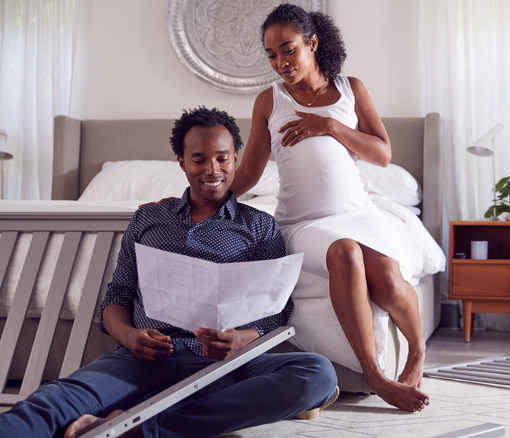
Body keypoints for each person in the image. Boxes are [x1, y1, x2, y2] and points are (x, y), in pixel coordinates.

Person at [0, 107, 338, 438]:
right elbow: (117, 297)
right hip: (143, 358)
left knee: (317, 374)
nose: (212, 169)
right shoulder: (148, 219)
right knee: (51, 403)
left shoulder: (259, 225)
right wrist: (131, 337)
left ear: (235, 157)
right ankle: (141, 411)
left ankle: (143, 428)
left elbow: (275, 312)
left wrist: (240, 338)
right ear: (182, 161)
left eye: (222, 157)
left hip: (225, 362)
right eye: (199, 159)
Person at [228, 3, 429, 412]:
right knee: (344, 251)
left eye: (288, 50)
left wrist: (332, 126)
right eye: (271, 55)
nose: (280, 62)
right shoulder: (270, 100)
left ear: (312, 43)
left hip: (359, 213)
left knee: (389, 280)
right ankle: (374, 374)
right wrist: (200, 196)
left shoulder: (352, 88)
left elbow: (383, 154)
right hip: (302, 223)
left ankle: (417, 354)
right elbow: (248, 173)